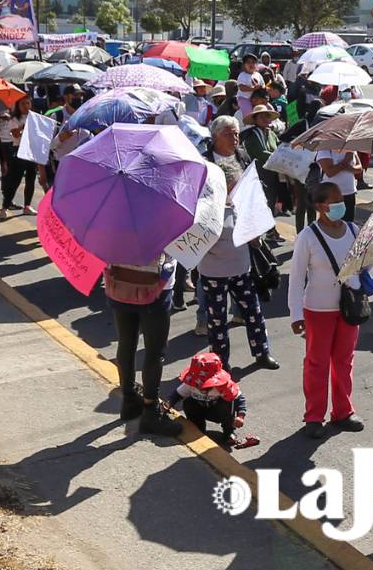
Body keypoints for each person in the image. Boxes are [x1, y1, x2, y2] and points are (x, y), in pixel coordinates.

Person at [198, 116, 278, 370]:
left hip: (241, 250)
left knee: (252, 309)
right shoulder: (203, 163)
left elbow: (253, 195)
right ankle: (220, 364)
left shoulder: (242, 157)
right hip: (212, 255)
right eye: (229, 134)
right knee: (217, 317)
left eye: (236, 134)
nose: (235, 139)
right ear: (215, 136)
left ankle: (262, 352)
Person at [287, 183, 366, 438]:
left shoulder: (354, 230)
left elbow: (365, 265)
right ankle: (314, 416)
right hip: (317, 309)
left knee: (344, 361)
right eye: (335, 200)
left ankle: (343, 411)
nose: (341, 204)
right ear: (321, 206)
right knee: (317, 363)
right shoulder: (308, 237)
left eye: (341, 199)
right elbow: (297, 278)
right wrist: (296, 314)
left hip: (349, 308)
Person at [109, 254, 183, 437]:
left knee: (126, 342)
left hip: (119, 280)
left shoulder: (113, 223)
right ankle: (150, 411)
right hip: (155, 287)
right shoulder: (166, 223)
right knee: (155, 351)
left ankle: (129, 399)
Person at [168, 351, 258, 450]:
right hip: (199, 409)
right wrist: (169, 403)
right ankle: (197, 427)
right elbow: (177, 394)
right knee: (188, 402)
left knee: (228, 403)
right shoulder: (191, 383)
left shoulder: (223, 386)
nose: (202, 388)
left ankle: (229, 432)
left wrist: (240, 416)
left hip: (218, 411)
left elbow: (239, 399)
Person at [0, 95, 36, 220]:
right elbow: (15, 134)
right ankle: (5, 207)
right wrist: (23, 127)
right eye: (23, 104)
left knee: (31, 178)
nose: (26, 106)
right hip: (19, 150)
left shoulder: (34, 117)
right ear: (18, 106)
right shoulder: (14, 119)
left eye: (28, 103)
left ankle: (27, 205)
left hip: (31, 151)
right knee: (15, 181)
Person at [316, 142, 363, 224]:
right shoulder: (325, 149)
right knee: (330, 223)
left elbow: (359, 168)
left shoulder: (350, 148)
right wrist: (345, 162)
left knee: (349, 223)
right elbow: (329, 172)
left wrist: (349, 167)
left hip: (349, 193)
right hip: (331, 195)